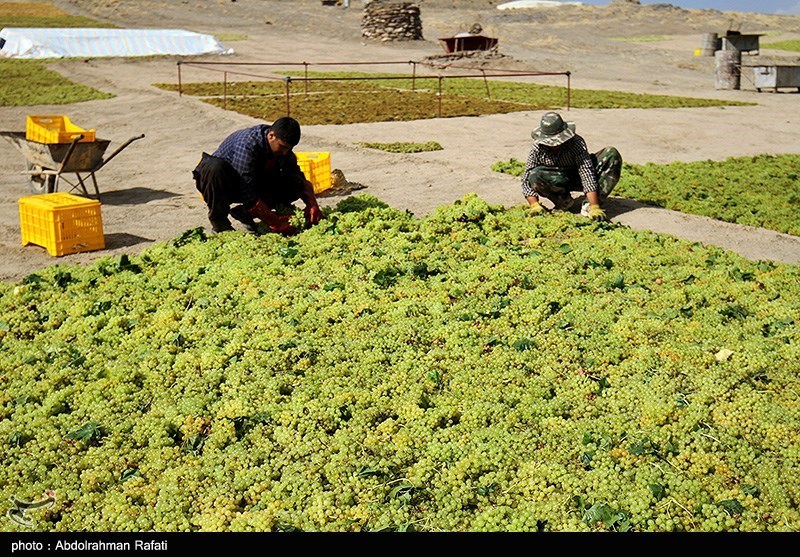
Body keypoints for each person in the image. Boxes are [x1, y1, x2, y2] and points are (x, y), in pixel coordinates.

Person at [192, 116, 323, 234]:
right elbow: (246, 189)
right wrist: (274, 222)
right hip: (223, 183)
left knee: (293, 183)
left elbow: (297, 176)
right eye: (283, 147)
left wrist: (312, 203)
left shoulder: (283, 150)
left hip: (251, 181)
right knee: (215, 168)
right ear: (271, 136)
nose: (285, 152)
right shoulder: (248, 144)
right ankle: (220, 224)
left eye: (289, 149)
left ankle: (244, 213)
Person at [520, 111, 622, 221]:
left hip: (578, 175)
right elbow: (526, 178)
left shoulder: (575, 143)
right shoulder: (538, 148)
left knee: (611, 154)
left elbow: (586, 171)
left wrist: (594, 205)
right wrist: (534, 205)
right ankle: (563, 201)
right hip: (557, 178)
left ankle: (589, 204)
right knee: (535, 175)